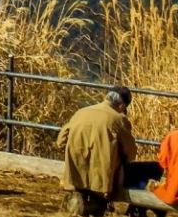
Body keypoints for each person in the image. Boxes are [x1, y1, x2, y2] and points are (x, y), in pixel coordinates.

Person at [58, 86, 139, 216]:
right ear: (122, 106)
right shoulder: (119, 119)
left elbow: (60, 141)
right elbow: (130, 152)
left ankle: (79, 203)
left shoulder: (81, 112)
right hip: (102, 180)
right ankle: (95, 206)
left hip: (75, 175)